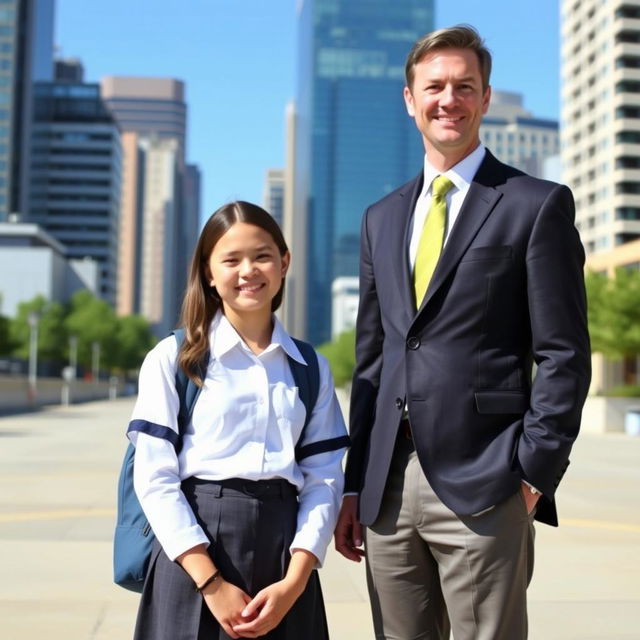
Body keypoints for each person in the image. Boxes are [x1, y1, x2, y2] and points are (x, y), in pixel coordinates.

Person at [334, 24, 591, 640]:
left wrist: (532, 473)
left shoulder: (535, 204)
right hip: (387, 491)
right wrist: (353, 485)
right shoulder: (381, 217)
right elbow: (374, 359)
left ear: (485, 98)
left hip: (486, 482)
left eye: (464, 87)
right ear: (409, 99)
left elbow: (564, 354)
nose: (448, 99)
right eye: (435, 86)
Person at [128, 201, 349, 640]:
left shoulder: (311, 367)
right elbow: (154, 477)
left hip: (284, 555)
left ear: (284, 263)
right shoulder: (172, 358)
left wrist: (296, 579)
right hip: (193, 550)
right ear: (209, 272)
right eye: (231, 260)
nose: (248, 270)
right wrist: (210, 582)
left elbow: (323, 478)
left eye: (263, 255)